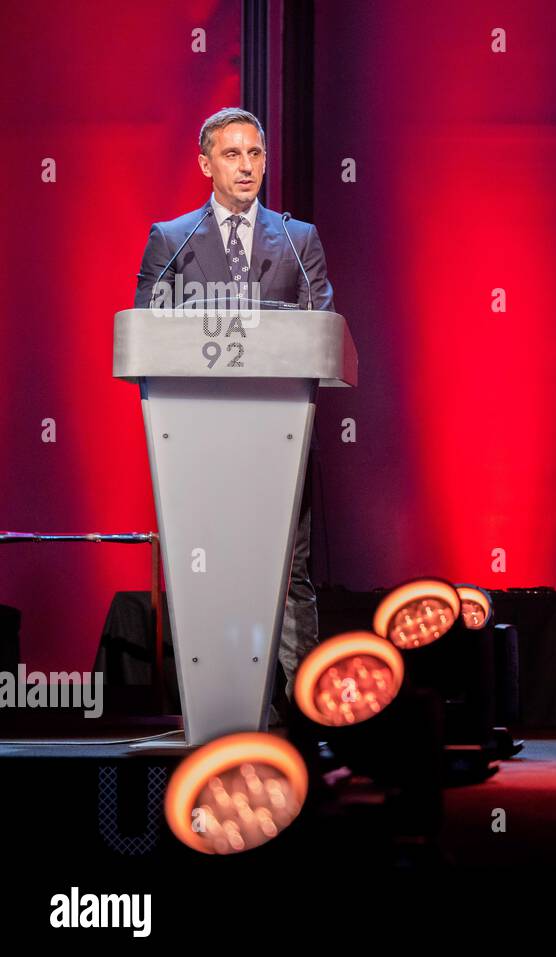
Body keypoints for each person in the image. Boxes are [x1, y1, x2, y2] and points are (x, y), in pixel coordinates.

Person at [132, 107, 333, 719]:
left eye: (255, 155)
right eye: (232, 155)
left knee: (288, 573)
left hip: (278, 439)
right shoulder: (172, 239)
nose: (246, 167)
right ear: (205, 164)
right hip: (197, 441)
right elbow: (143, 330)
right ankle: (222, 712)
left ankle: (305, 715)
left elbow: (322, 327)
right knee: (208, 573)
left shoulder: (299, 242)